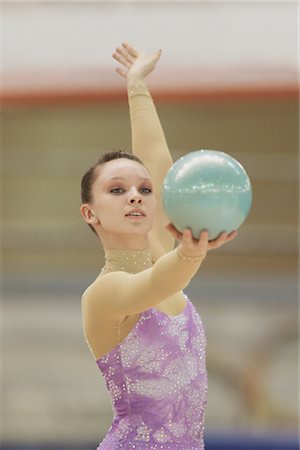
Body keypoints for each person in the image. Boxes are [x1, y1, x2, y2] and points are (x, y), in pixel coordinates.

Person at [80, 42, 237, 450]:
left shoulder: (160, 253)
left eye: (143, 189)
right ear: (90, 213)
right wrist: (191, 250)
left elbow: (159, 163)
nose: (135, 195)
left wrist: (138, 87)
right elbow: (160, 282)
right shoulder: (105, 293)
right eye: (117, 190)